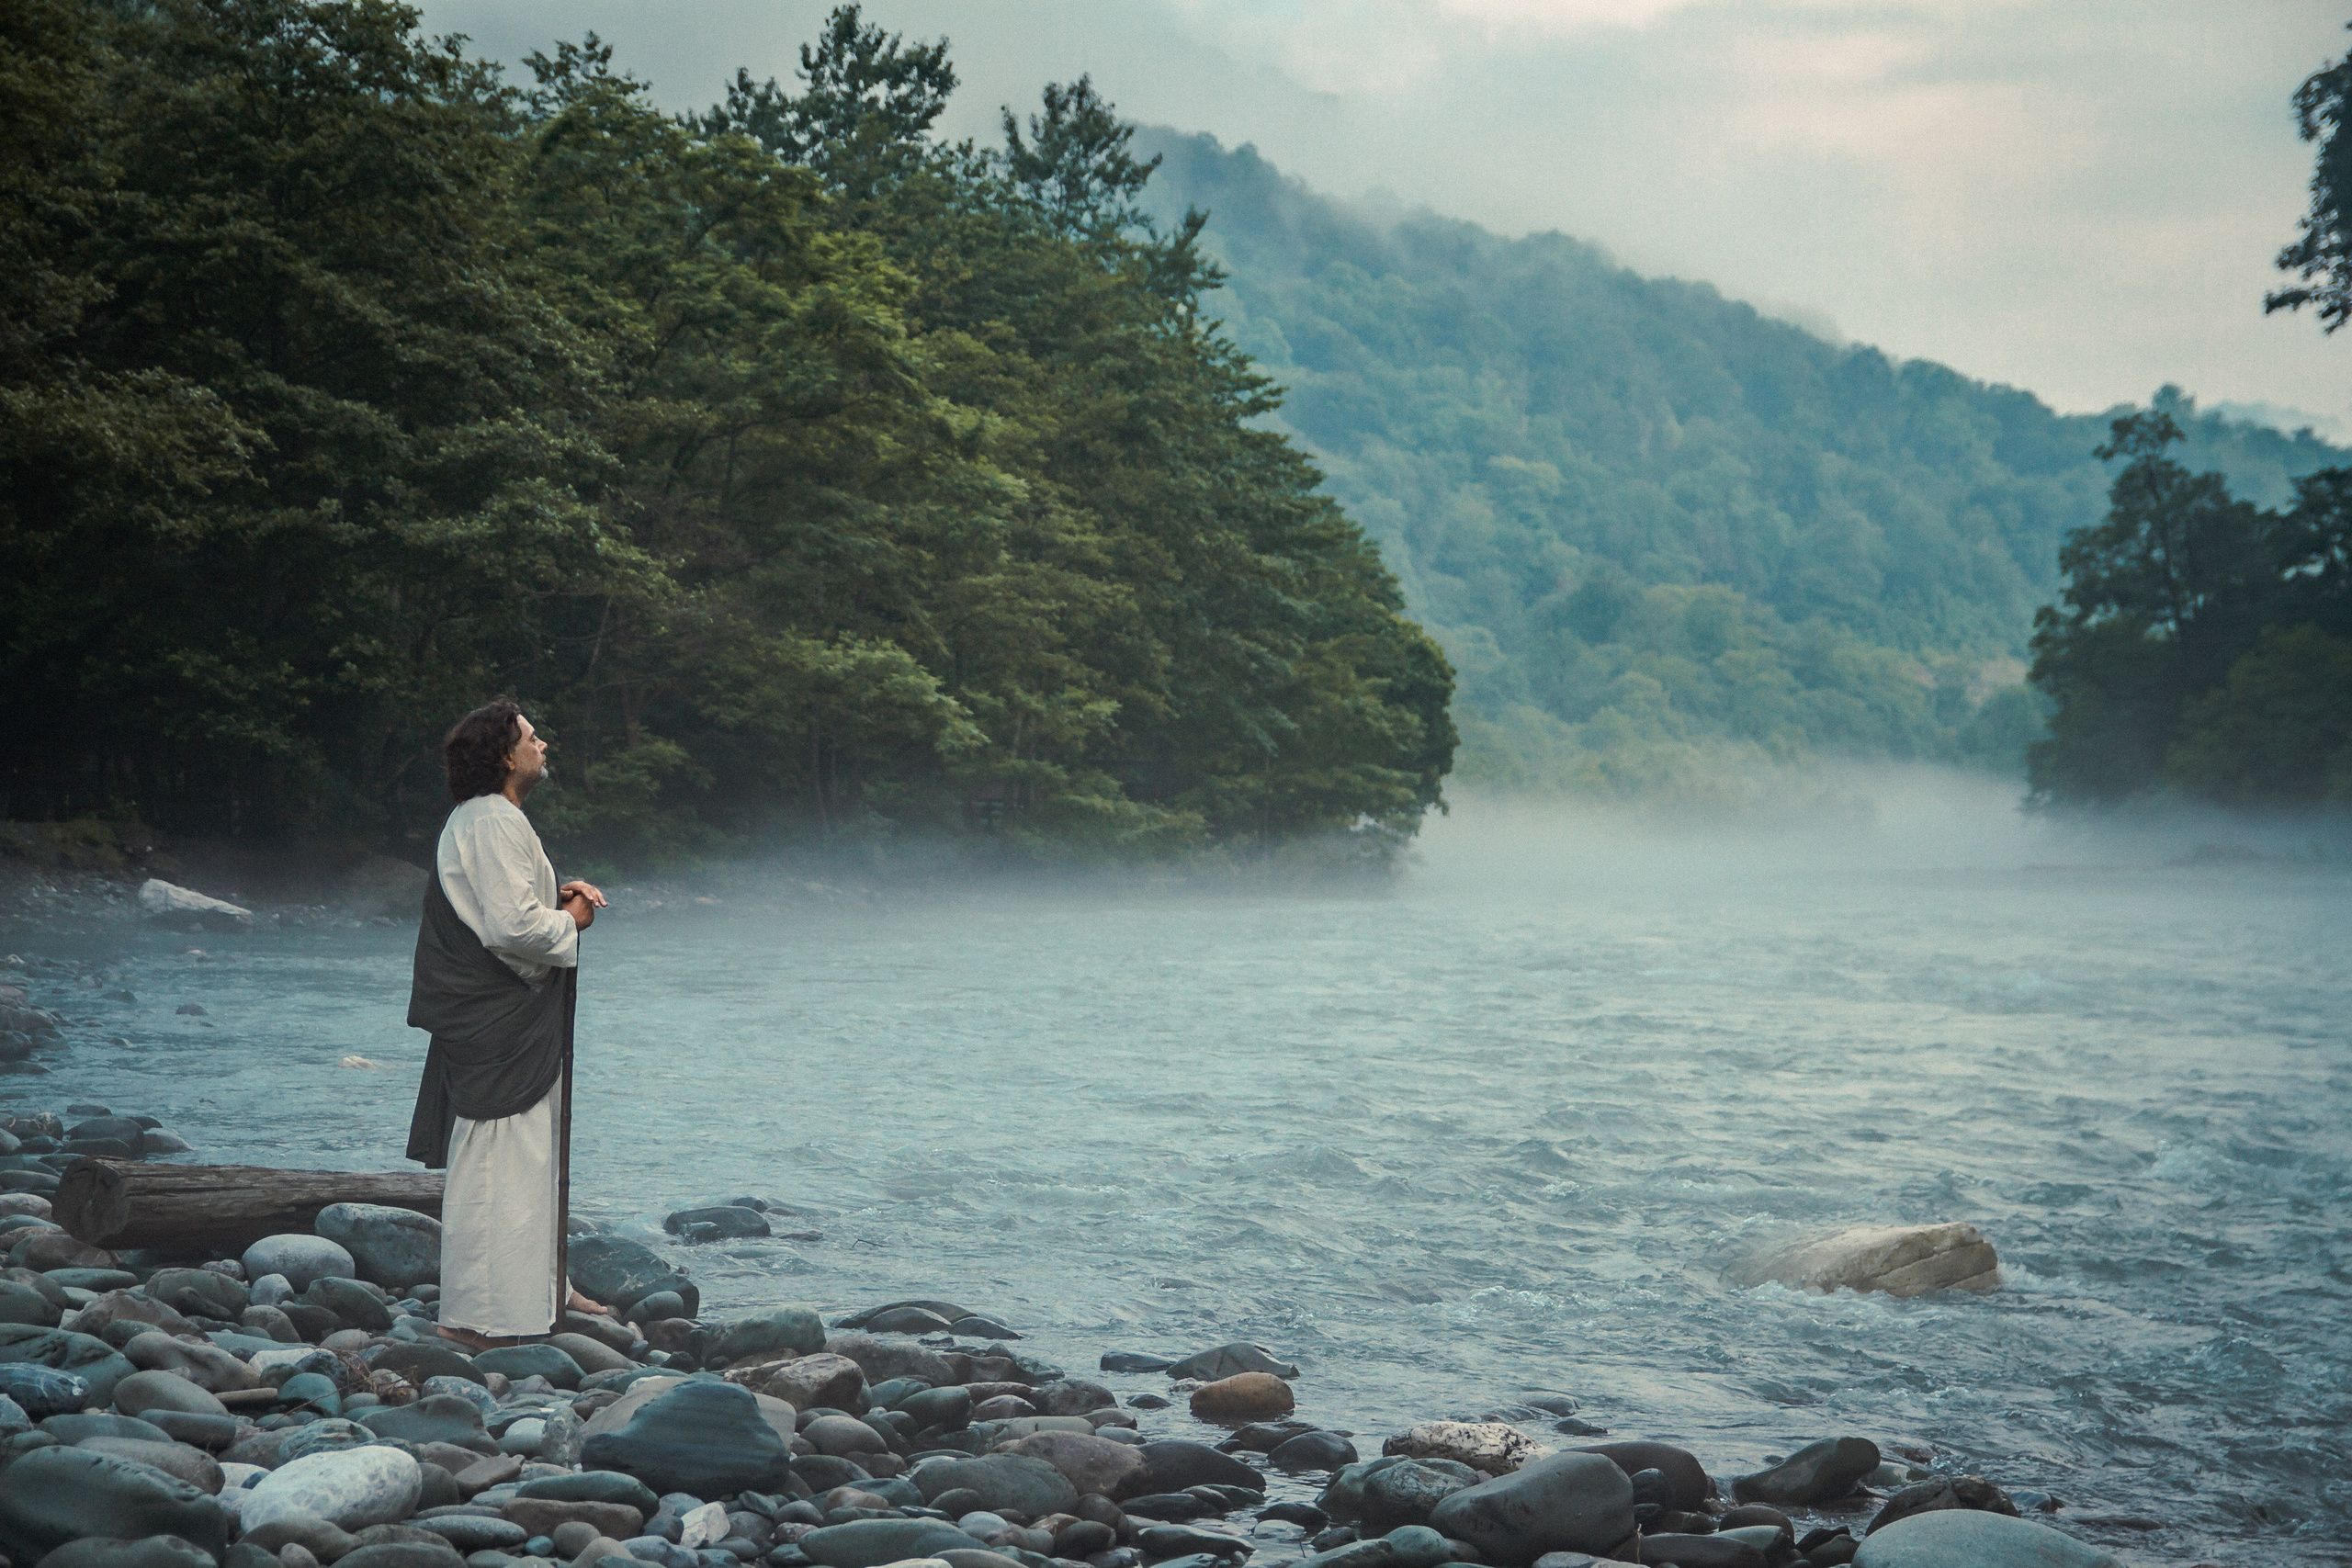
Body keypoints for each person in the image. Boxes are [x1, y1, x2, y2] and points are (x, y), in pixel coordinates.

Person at [404, 699, 612, 1349]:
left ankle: (543, 1289)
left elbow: (506, 909)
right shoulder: (492, 820)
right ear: (502, 754)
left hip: (503, 1017)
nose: (542, 744)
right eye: (530, 736)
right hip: (497, 1020)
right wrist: (571, 920)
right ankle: (477, 1318)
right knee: (499, 1160)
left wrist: (556, 899)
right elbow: (509, 928)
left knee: (523, 1156)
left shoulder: (490, 819)